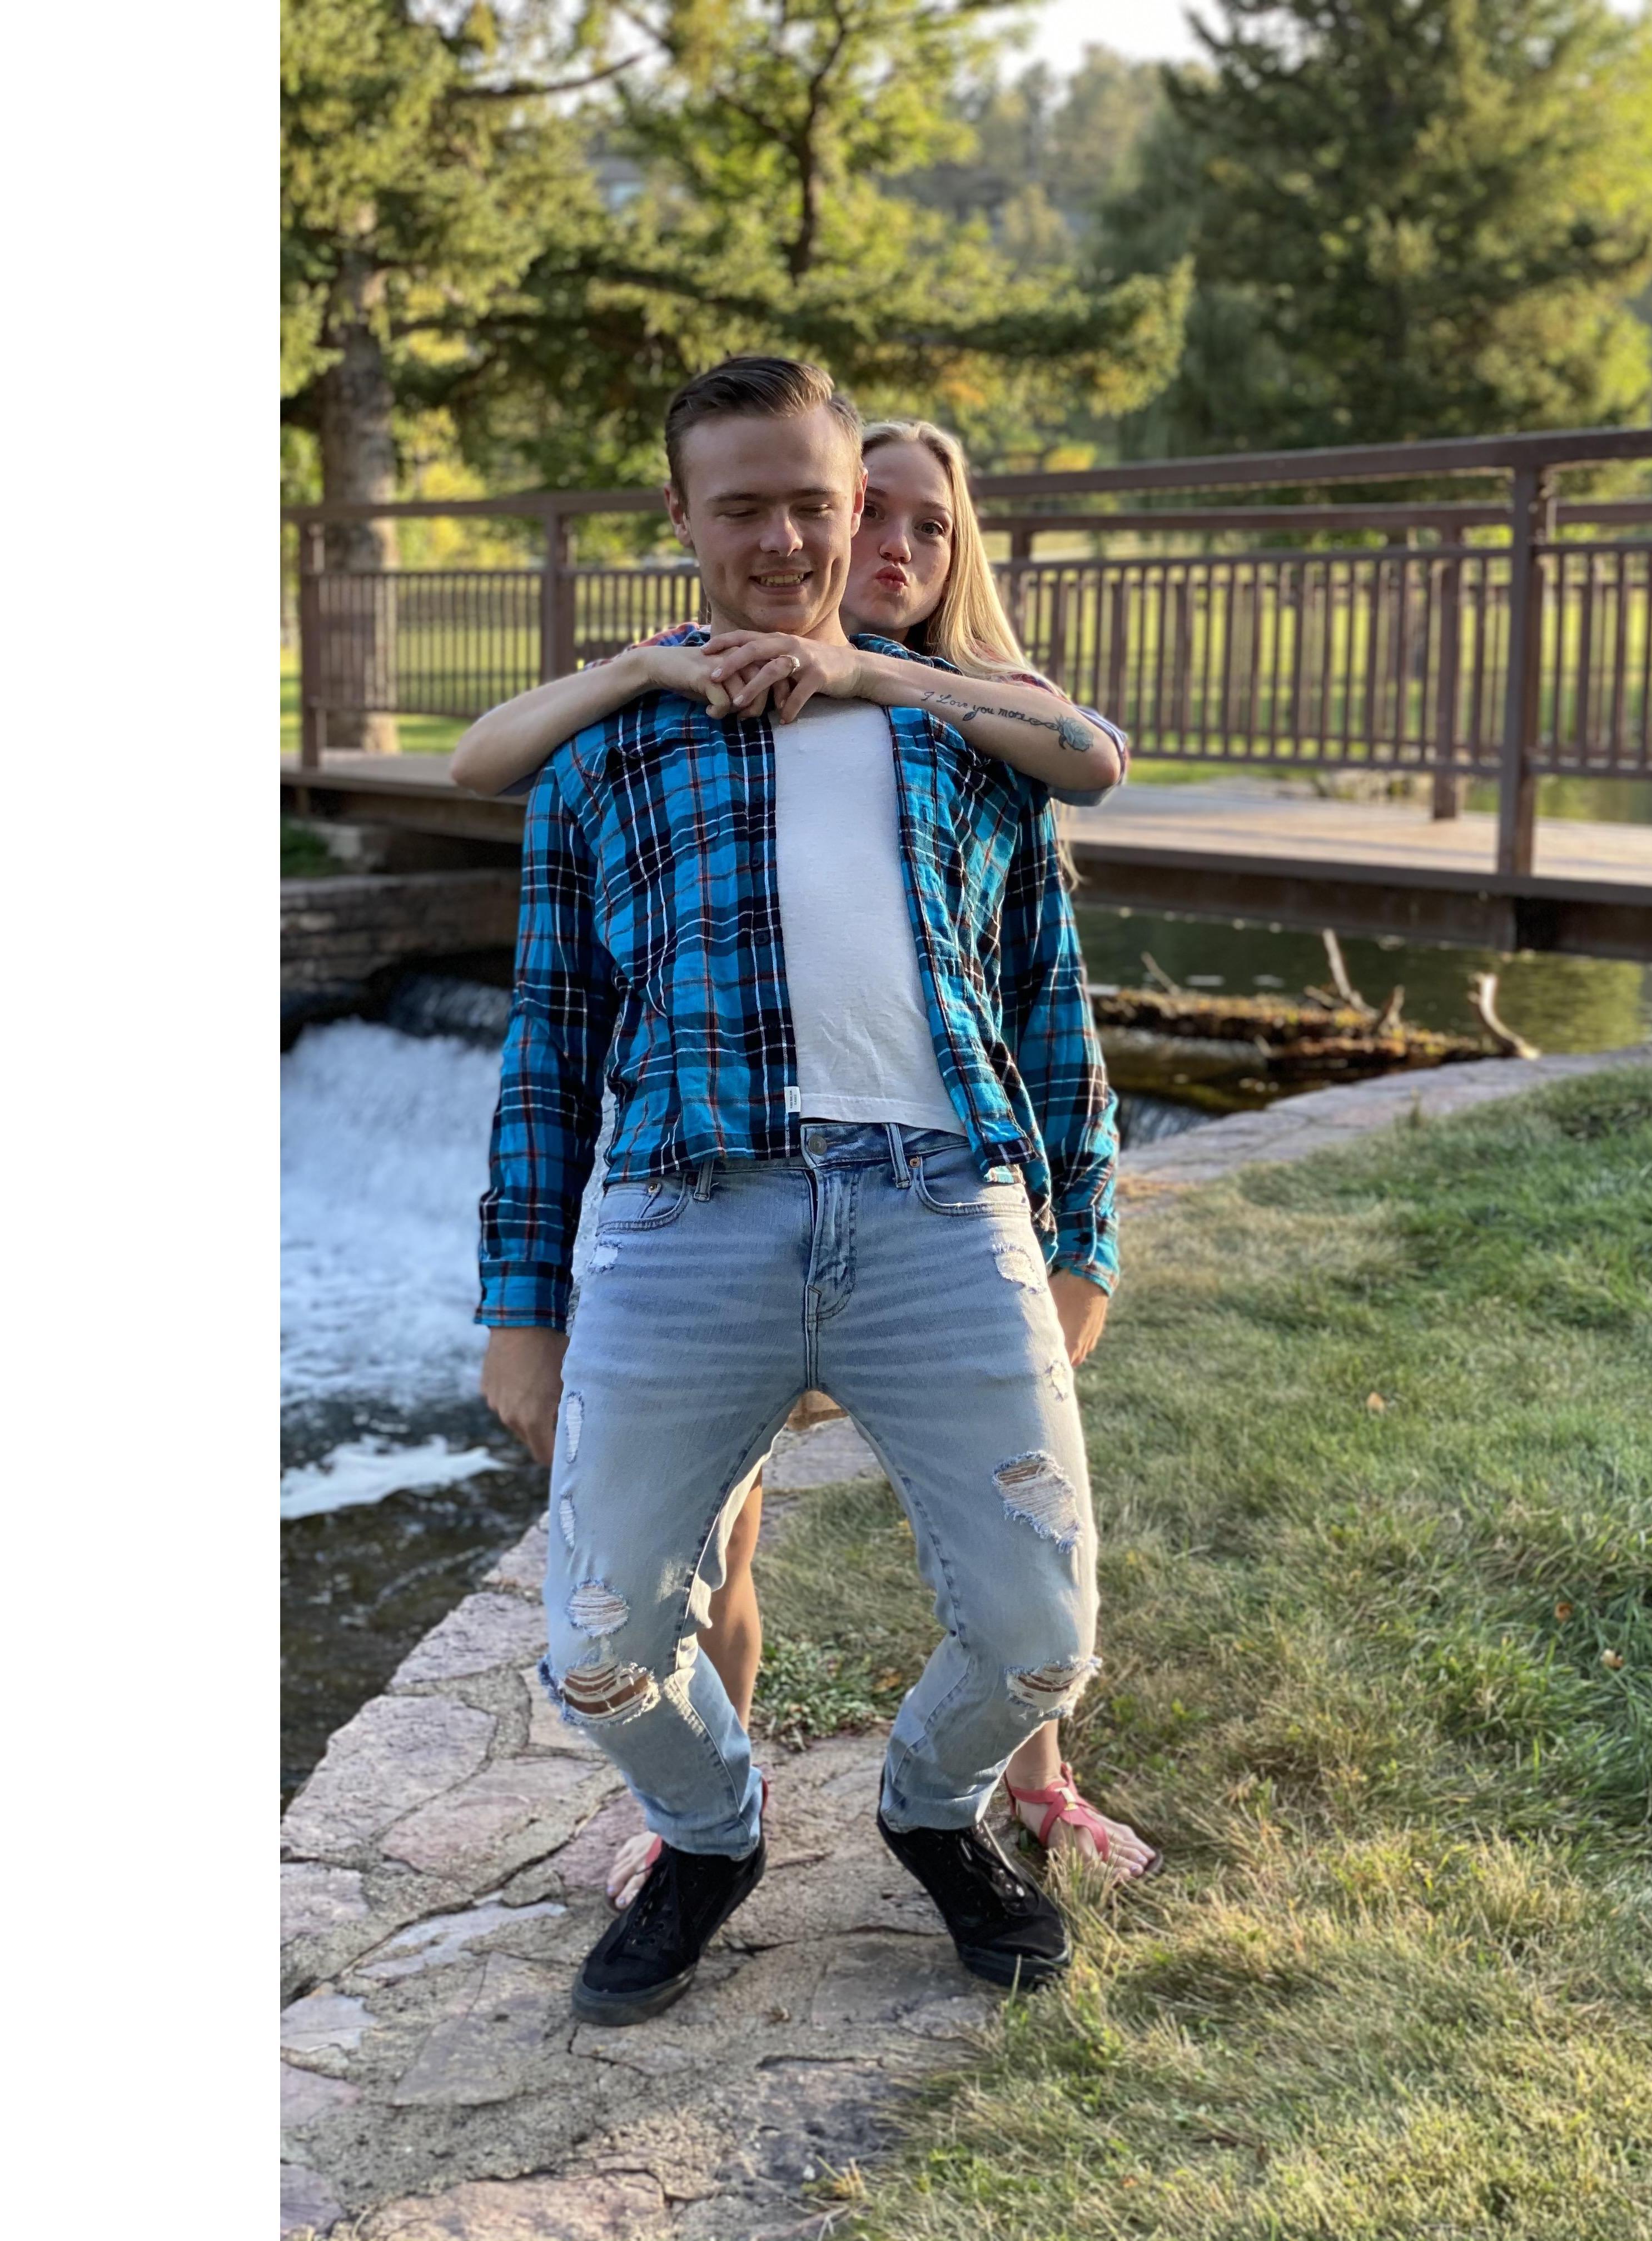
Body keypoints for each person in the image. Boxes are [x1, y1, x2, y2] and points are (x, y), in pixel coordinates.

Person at [476, 352, 1133, 2026]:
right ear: (683, 516)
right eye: (744, 507)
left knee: (1044, 1630)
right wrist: (519, 1308)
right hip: (686, 1216)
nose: (784, 540)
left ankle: (932, 1811)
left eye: (815, 506)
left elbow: (1050, 1002)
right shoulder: (610, 753)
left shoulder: (967, 736)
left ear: (856, 511)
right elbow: (548, 1047)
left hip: (944, 1209)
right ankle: (710, 1836)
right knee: (600, 1644)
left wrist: (1084, 1236)